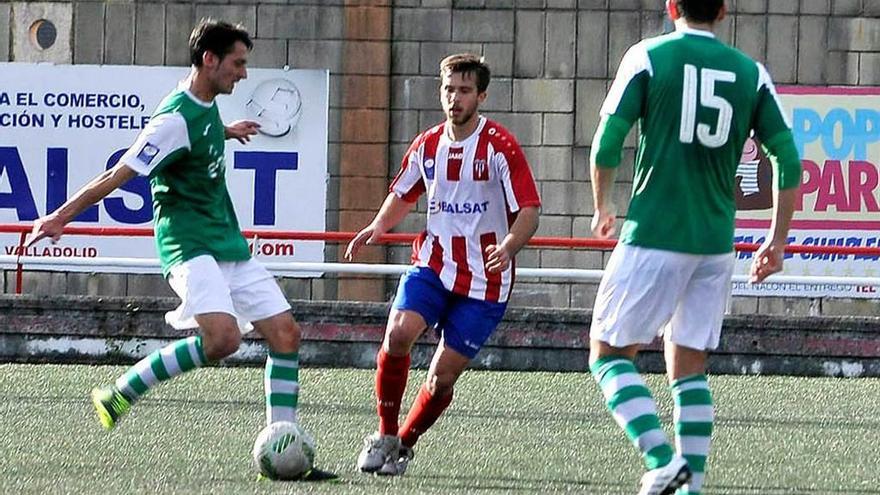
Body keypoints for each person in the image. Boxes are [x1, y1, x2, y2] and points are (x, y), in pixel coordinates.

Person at [26, 19, 334, 481]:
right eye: (238, 63)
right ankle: (121, 392)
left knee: (287, 335)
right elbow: (117, 176)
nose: (244, 74)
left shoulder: (204, 106)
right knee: (223, 340)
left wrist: (227, 131)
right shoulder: (171, 121)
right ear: (209, 60)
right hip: (189, 246)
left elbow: (201, 128)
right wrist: (59, 218)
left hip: (226, 239)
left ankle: (283, 444)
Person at [586, 1, 801, 494]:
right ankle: (691, 488)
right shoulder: (751, 73)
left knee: (609, 356)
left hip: (655, 235)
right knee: (688, 368)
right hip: (714, 245)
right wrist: (777, 240)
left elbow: (607, 141)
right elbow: (788, 160)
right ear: (723, 11)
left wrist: (603, 204)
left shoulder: (647, 57)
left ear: (671, 6)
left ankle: (662, 459)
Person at [345, 53, 541, 476]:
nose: (455, 98)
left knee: (441, 378)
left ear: (481, 96)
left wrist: (508, 246)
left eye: (464, 90)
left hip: (487, 280)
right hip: (434, 263)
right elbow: (404, 193)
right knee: (398, 334)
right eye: (449, 89)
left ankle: (404, 443)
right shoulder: (428, 144)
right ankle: (383, 433)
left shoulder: (500, 147)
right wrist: (378, 226)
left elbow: (529, 209)